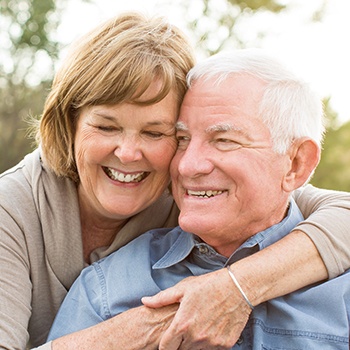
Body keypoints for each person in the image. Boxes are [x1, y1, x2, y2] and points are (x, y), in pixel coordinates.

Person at [0, 11, 349, 350]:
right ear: (70, 124)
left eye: (157, 133)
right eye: (106, 127)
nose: (128, 153)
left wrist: (233, 288)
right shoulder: (16, 212)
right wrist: (148, 327)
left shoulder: (186, 188)